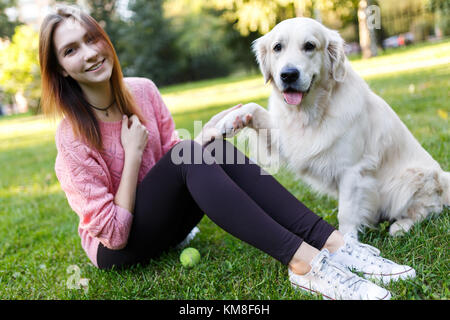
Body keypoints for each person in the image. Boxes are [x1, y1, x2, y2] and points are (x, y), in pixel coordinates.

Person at [39, 5, 415, 300]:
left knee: (212, 147)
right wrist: (133, 154)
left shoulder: (143, 91)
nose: (89, 53)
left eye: (92, 39)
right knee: (193, 153)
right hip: (120, 250)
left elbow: (176, 162)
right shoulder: (71, 138)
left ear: (105, 40)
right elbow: (115, 235)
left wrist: (209, 137)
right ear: (61, 70)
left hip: (170, 223)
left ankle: (334, 243)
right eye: (71, 50)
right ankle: (305, 264)